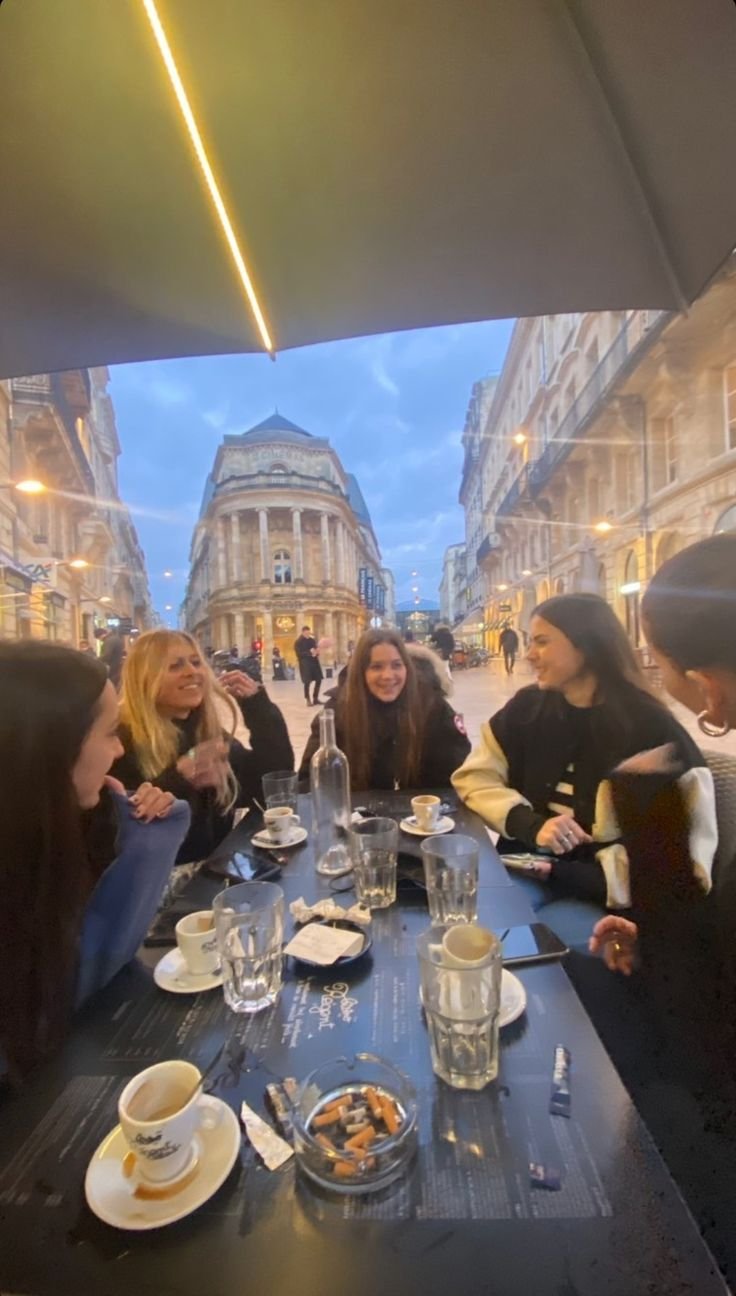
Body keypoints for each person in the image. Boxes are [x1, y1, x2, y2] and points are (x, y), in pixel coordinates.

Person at [452, 593, 716, 946]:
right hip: (524, 869)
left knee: (533, 943)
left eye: (542, 642)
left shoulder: (651, 730)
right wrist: (530, 825)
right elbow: (474, 776)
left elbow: (685, 863)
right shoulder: (529, 708)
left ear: (587, 645)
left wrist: (566, 873)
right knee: (469, 926)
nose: (530, 654)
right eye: (530, 642)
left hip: (607, 901)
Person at [0, 642, 190, 1082]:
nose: (118, 751)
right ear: (53, 750)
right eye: (108, 734)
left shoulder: (49, 842)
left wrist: (111, 830)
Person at [111, 629, 293, 864]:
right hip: (162, 890)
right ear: (145, 677)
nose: (192, 672)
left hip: (214, 877)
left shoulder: (203, 731)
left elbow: (270, 786)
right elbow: (121, 833)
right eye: (175, 666)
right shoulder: (119, 743)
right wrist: (179, 779)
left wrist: (259, 709)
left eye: (196, 663)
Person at [298, 628, 471, 790]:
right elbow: (309, 782)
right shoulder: (338, 711)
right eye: (376, 667)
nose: (388, 676)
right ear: (361, 672)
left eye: (396, 665)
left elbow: (460, 774)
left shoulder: (431, 705)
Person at [294, 625, 323, 706]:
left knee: (319, 680)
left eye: (309, 633)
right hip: (305, 664)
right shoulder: (298, 642)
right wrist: (310, 653)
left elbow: (316, 648)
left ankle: (315, 698)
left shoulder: (312, 640)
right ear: (303, 632)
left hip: (314, 663)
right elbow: (299, 654)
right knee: (307, 682)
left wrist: (317, 652)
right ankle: (308, 699)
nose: (308, 634)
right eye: (306, 633)